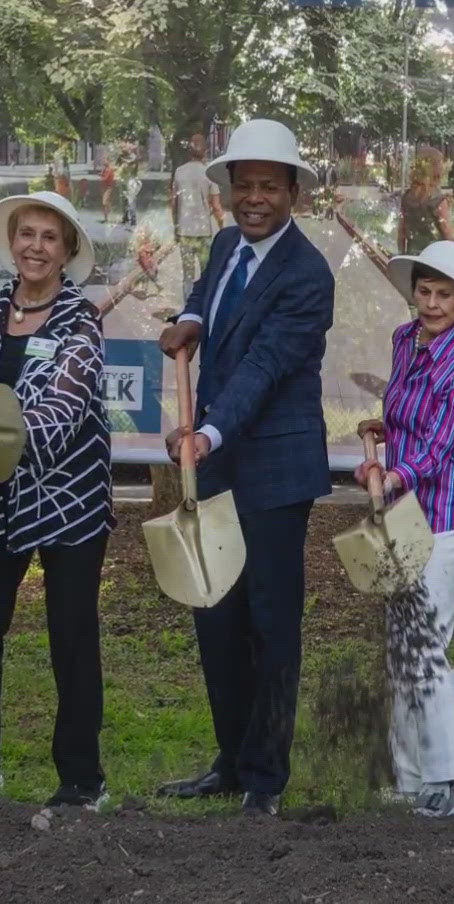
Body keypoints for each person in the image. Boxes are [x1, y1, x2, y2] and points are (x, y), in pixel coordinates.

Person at [155, 118, 335, 817]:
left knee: (269, 619)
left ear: (293, 192)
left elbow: (263, 368)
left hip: (274, 472)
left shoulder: (307, 275)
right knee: (215, 613)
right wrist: (188, 318)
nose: (254, 198)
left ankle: (266, 779)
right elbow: (207, 298)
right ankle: (230, 759)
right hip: (220, 461)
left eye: (269, 187)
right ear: (227, 192)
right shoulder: (228, 244)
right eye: (244, 186)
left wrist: (206, 430)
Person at [0, 191, 114, 809]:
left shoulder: (80, 320)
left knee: (71, 635)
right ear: (13, 242)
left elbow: (63, 413)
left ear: (66, 253)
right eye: (26, 234)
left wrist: (1, 430)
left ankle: (82, 780)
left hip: (68, 498)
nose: (35, 247)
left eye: (49, 238)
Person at [357, 241, 454, 818]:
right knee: (399, 647)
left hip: (450, 509)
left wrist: (393, 474)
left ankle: (449, 785)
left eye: (445, 295)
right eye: (425, 291)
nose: (432, 303)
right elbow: (407, 416)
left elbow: (438, 443)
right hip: (403, 508)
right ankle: (408, 781)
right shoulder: (403, 340)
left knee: (426, 644)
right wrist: (380, 434)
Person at [170, 131, 224, 286]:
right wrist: (222, 229)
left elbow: (174, 204)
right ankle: (204, 308)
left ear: (189, 152)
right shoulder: (210, 173)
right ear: (205, 151)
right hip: (203, 232)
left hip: (185, 232)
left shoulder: (179, 172)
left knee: (187, 276)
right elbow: (217, 206)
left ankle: (188, 307)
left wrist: (176, 228)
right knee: (206, 275)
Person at [398, 146, 454, 255]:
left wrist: (402, 254)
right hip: (434, 260)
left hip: (413, 257)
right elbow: (449, 235)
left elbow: (401, 233)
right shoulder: (437, 200)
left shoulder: (407, 197)